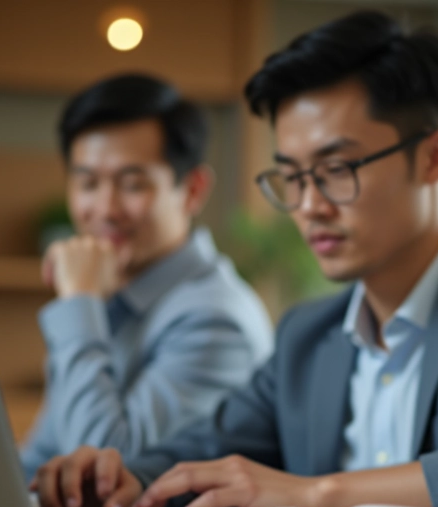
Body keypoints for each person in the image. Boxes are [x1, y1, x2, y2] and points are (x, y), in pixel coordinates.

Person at [32, 12, 438, 507]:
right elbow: (202, 451)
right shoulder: (310, 335)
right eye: (291, 178)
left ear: (436, 157)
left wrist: (317, 494)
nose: (309, 205)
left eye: (336, 168)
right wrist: (119, 481)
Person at [19, 74, 274, 480]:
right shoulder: (110, 299)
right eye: (87, 183)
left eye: (132, 184)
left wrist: (80, 305)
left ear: (192, 190)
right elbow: (41, 460)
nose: (104, 208)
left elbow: (107, 476)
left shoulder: (214, 318)